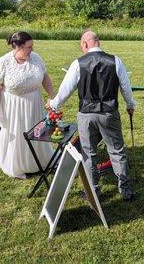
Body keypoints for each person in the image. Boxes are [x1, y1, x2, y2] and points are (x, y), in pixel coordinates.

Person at [46, 30, 136, 201]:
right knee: (117, 151)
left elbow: (66, 90)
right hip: (109, 113)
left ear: (85, 44)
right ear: (98, 42)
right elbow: (125, 87)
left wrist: (54, 104)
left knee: (88, 153)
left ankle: (93, 192)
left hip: (86, 114)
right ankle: (125, 190)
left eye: (82, 46)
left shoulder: (78, 63)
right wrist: (130, 105)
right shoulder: (115, 61)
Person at [0, 31, 55, 179]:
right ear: (18, 47)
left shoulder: (36, 58)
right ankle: (19, 164)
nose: (32, 50)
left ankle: (37, 160)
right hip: (13, 106)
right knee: (18, 134)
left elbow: (45, 77)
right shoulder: (3, 62)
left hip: (34, 103)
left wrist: (53, 97)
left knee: (36, 133)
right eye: (29, 47)